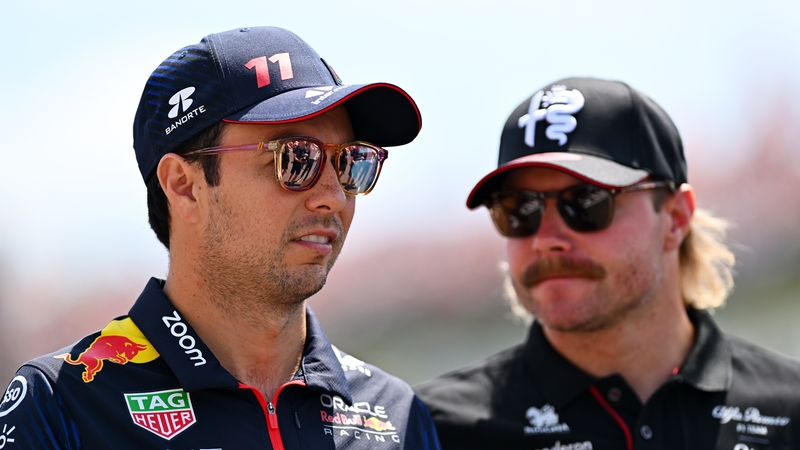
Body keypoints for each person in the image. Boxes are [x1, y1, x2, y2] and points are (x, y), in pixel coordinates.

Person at [0, 26, 439, 449]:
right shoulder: (65, 402)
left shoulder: (395, 415)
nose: (333, 196)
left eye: (350, 161)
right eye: (296, 159)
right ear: (184, 186)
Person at [415, 77, 800, 449]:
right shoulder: (431, 428)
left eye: (585, 201)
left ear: (676, 218)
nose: (547, 240)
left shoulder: (790, 407)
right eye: (518, 210)